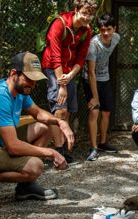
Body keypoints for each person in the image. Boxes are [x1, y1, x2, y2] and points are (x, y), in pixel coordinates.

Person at [0, 52, 75, 210]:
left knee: (45, 128)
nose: (33, 85)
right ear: (14, 73)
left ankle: (25, 188)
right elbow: (13, 146)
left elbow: (39, 113)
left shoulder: (20, 91)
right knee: (35, 166)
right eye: (29, 79)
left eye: (35, 80)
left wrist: (60, 122)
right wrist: (51, 152)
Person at [41, 0, 98, 162]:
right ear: (76, 10)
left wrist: (71, 75)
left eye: (91, 15)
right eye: (85, 13)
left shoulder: (87, 30)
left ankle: (65, 148)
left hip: (69, 71)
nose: (87, 17)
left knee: (68, 111)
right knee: (59, 109)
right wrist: (62, 84)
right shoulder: (59, 24)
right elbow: (55, 55)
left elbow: (81, 58)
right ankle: (58, 150)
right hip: (53, 68)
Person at [82, 13, 120, 161]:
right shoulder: (93, 45)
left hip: (105, 78)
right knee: (94, 113)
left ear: (114, 29)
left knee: (106, 113)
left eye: (108, 29)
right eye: (102, 30)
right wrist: (95, 97)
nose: (105, 33)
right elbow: (91, 72)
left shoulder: (116, 38)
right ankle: (94, 148)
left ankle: (103, 143)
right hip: (90, 79)